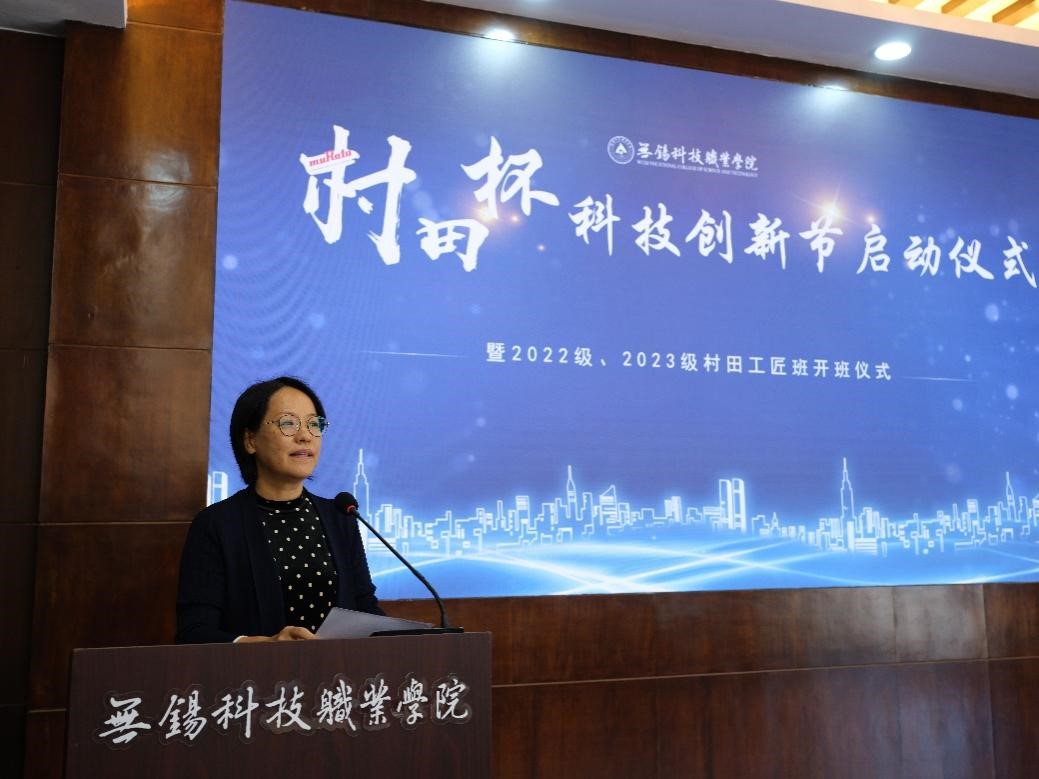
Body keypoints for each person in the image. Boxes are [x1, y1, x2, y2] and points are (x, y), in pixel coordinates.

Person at [176, 376, 383, 644]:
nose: (305, 436)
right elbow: (194, 632)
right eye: (288, 423)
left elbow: (365, 608)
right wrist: (268, 645)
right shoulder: (217, 524)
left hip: (337, 670)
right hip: (256, 670)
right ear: (250, 440)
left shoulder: (341, 517)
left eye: (314, 424)